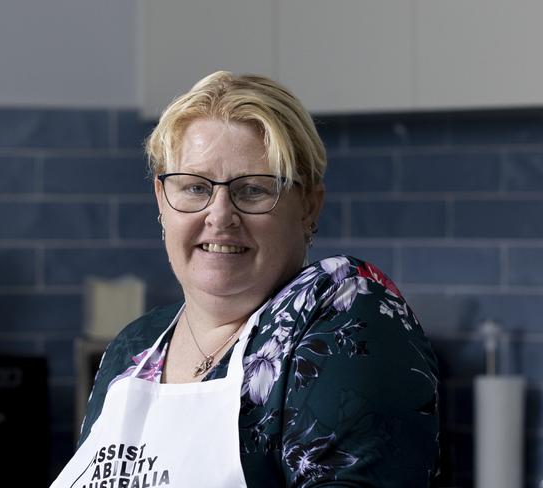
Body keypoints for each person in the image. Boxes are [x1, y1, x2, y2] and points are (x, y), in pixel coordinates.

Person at [51, 71, 440, 487]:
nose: (219, 215)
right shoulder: (133, 347)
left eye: (253, 190)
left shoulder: (342, 317)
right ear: (162, 202)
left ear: (309, 206)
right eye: (195, 188)